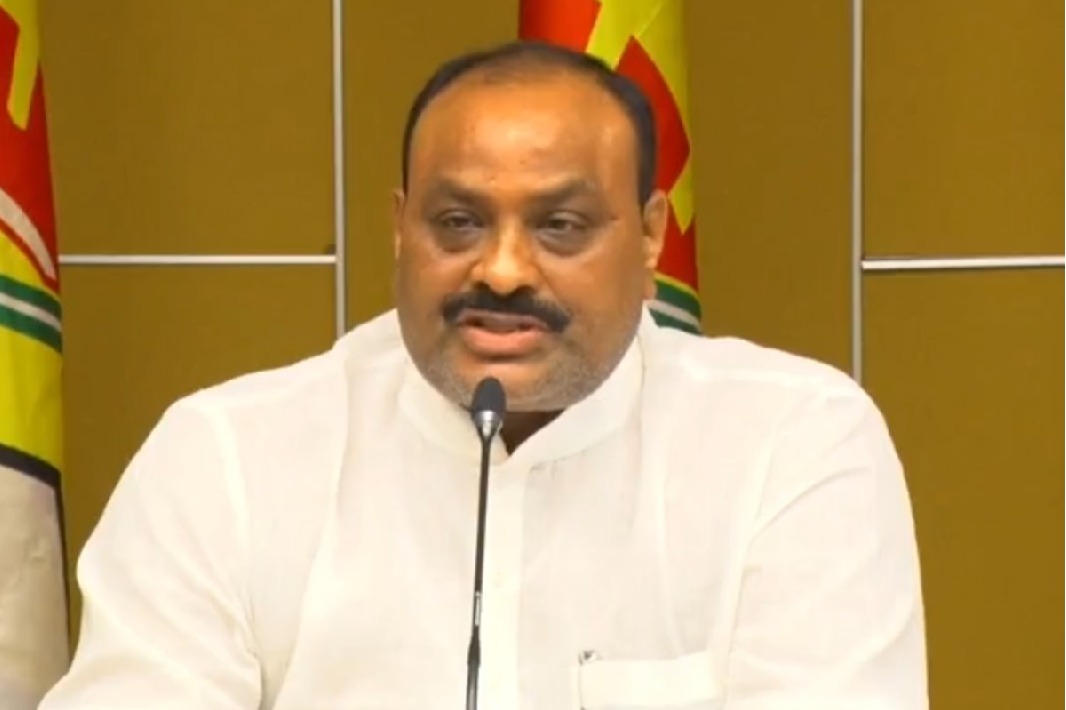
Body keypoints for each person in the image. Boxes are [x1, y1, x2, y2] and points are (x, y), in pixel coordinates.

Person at [39, 40, 927, 709]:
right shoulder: (227, 458)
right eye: (458, 223)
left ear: (652, 235)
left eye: (560, 226)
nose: (501, 271)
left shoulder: (792, 445)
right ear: (400, 228)